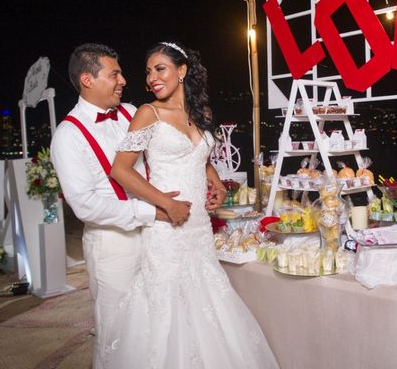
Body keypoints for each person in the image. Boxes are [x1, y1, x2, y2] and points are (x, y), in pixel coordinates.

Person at [51, 43, 224, 368]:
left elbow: (182, 146)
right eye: (114, 74)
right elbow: (86, 205)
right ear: (88, 79)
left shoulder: (133, 112)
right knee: (117, 336)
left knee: (158, 328)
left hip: (160, 235)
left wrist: (209, 172)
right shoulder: (67, 136)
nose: (123, 80)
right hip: (114, 246)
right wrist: (157, 210)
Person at [106, 42, 278, 368]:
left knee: (208, 301)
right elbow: (121, 170)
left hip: (198, 228)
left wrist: (216, 182)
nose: (152, 78)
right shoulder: (149, 114)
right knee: (168, 309)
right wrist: (165, 205)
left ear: (181, 70)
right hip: (167, 230)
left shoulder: (200, 114)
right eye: (148, 71)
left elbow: (198, 155)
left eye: (160, 69)